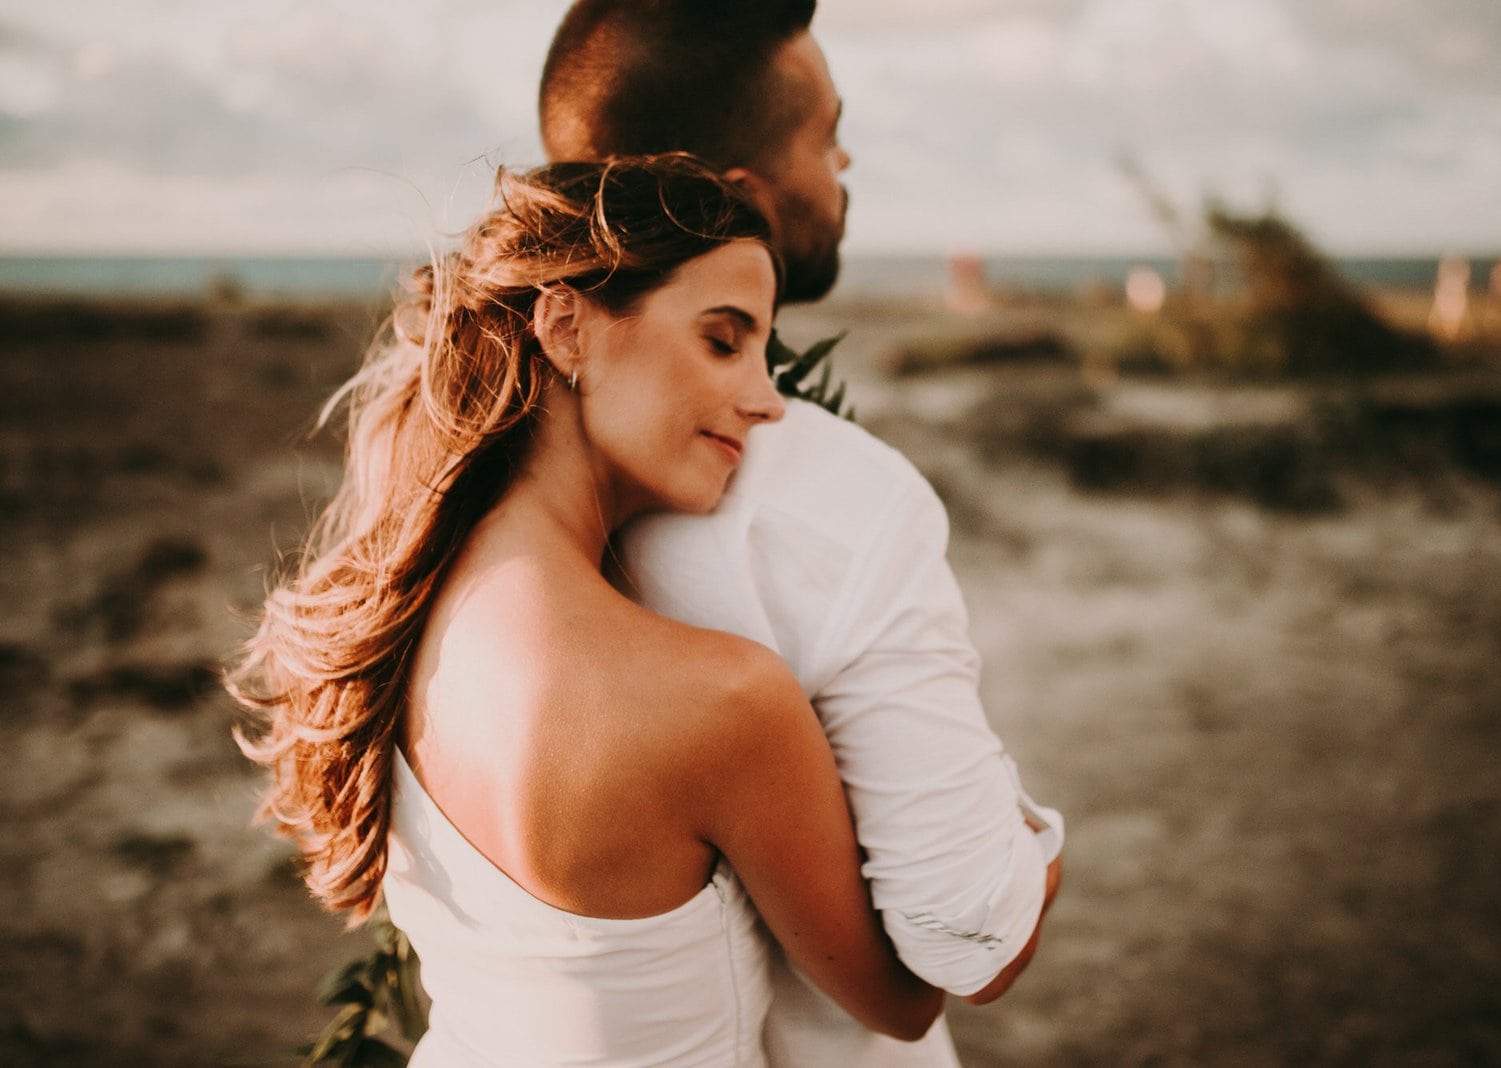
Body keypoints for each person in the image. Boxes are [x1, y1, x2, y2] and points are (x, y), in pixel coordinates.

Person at [229, 155, 943, 1064]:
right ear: (566, 327)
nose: (767, 401)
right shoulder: (719, 702)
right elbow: (904, 1000)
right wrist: (1032, 848)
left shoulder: (386, 636)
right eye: (725, 340)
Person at [540, 3, 1065, 1064]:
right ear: (733, 201)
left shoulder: (445, 477)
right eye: (825, 135)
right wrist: (1035, 843)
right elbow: (969, 935)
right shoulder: (836, 503)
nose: (846, 159)